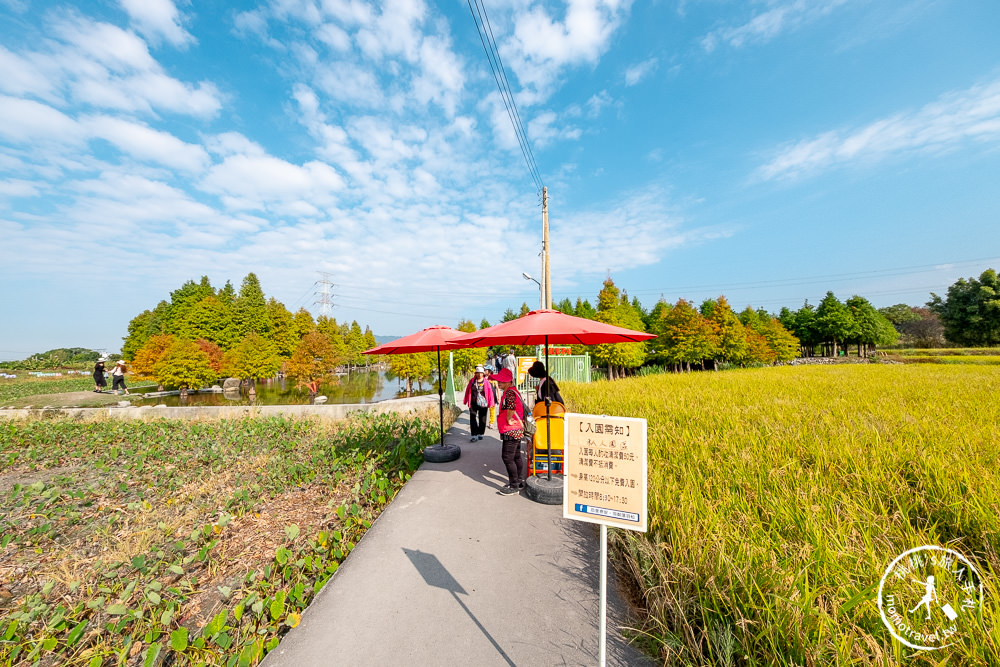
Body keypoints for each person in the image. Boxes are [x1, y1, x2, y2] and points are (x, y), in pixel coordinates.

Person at [491, 368, 525, 495]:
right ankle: (520, 481)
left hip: (511, 429)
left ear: (509, 381)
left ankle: (514, 485)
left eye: (501, 381)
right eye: (498, 381)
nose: (499, 383)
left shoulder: (509, 393)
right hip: (517, 429)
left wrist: (509, 419)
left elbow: (511, 407)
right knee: (516, 456)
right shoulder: (513, 391)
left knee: (507, 457)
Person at [462, 365, 494, 441]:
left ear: (483, 374)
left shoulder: (486, 382)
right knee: (472, 417)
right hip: (473, 402)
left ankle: (480, 433)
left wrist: (491, 403)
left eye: (481, 373)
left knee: (482, 418)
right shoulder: (472, 381)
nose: (479, 375)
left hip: (483, 403)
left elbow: (490, 393)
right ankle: (474, 434)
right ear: (475, 373)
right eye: (477, 373)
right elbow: (467, 390)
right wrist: (465, 400)